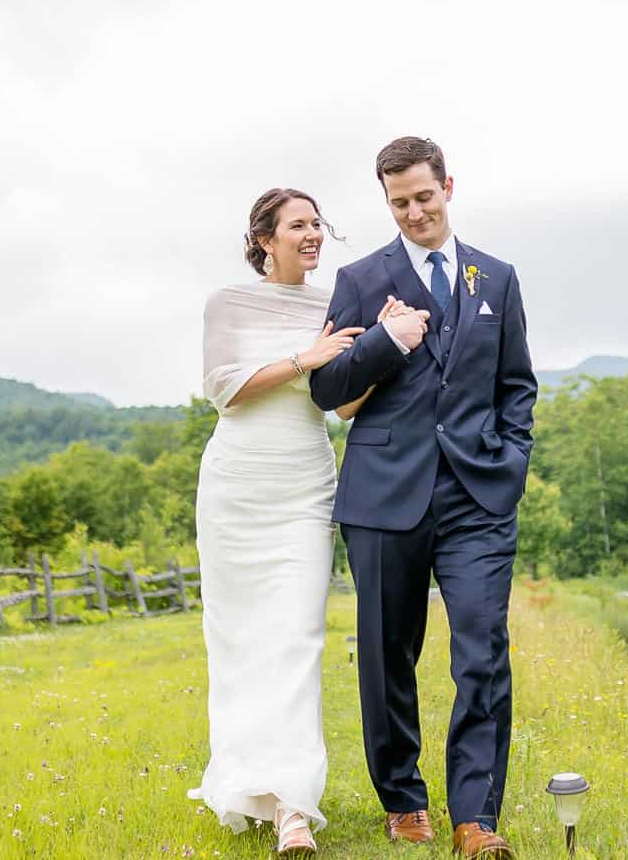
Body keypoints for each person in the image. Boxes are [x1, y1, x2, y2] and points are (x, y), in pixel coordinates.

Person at [309, 137, 535, 860]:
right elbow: (328, 388)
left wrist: (511, 462)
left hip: (477, 498)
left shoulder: (495, 278)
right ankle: (404, 801)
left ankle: (475, 816)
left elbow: (516, 386)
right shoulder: (359, 278)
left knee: (482, 649)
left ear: (448, 188)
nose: (413, 212)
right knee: (386, 656)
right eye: (399, 202)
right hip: (383, 495)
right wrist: (385, 340)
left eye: (424, 197)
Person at [188, 187, 429, 857]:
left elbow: (343, 406)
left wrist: (381, 344)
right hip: (237, 487)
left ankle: (294, 806)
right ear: (264, 239)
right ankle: (249, 784)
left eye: (317, 223)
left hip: (303, 487)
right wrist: (306, 359)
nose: (313, 233)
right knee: (239, 643)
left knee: (297, 637)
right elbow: (222, 389)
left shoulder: (335, 302)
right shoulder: (227, 302)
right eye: (298, 225)